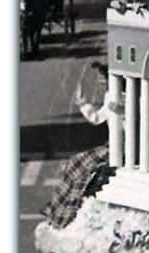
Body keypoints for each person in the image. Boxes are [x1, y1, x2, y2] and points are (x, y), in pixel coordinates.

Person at [43, 63, 121, 228]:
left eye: (102, 79)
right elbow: (98, 117)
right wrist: (83, 103)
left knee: (79, 168)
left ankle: (65, 215)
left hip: (122, 149)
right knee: (72, 164)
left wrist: (122, 110)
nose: (100, 83)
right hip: (112, 146)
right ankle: (56, 209)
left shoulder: (126, 96)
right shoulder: (110, 95)